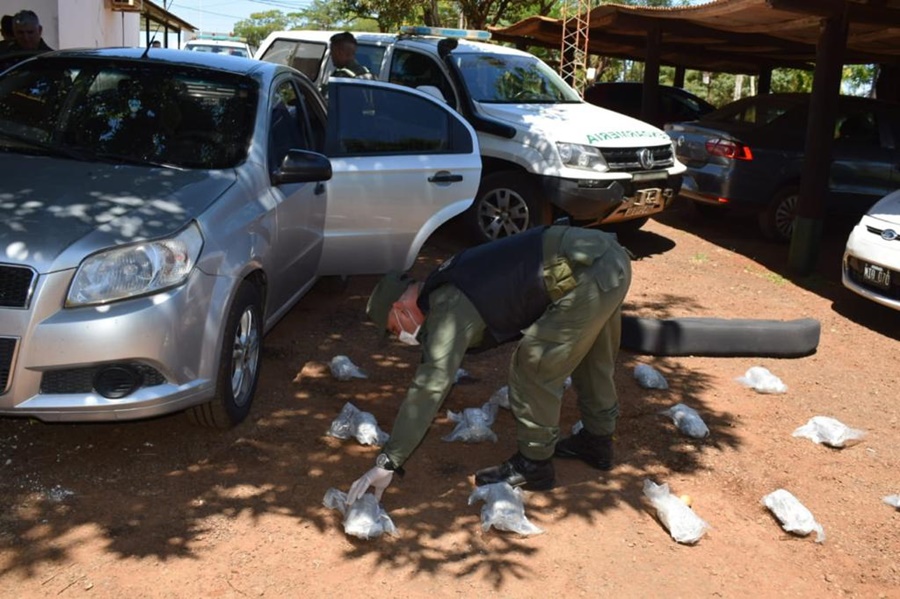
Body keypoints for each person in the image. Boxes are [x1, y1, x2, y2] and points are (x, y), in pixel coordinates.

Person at [346, 225, 633, 505]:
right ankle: (597, 442)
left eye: (394, 330)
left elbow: (430, 384)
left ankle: (534, 465)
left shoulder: (447, 306)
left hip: (584, 272)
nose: (402, 337)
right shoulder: (446, 281)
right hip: (604, 258)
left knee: (533, 365)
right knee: (592, 358)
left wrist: (389, 460)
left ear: (399, 309)